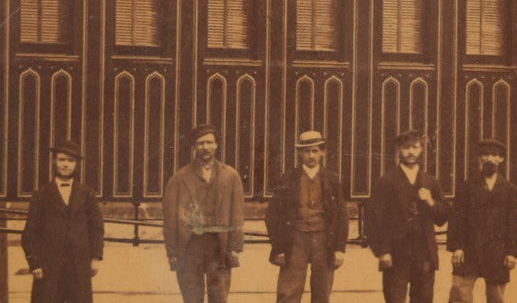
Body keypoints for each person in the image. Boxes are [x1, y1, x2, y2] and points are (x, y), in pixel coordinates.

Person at [163, 123, 246, 303]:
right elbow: (169, 219)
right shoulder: (179, 178)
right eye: (200, 143)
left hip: (219, 245)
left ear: (216, 145)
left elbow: (237, 214)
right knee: (191, 295)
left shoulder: (230, 176)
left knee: (219, 296)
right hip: (190, 245)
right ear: (194, 147)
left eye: (209, 142)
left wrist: (235, 248)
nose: (205, 147)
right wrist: (172, 252)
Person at [265, 130, 349, 303]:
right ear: (299, 154)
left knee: (322, 291)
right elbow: (273, 215)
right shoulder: (288, 179)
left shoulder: (332, 179)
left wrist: (339, 248)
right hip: (296, 239)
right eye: (306, 151)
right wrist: (279, 247)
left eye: (315, 150)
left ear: (323, 152)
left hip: (323, 239)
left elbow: (341, 215)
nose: (311, 155)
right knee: (289, 291)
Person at [367, 129, 450, 303]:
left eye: (415, 147)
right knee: (394, 298)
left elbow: (443, 218)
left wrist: (430, 201)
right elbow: (375, 220)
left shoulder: (430, 181)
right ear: (399, 150)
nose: (411, 152)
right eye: (406, 148)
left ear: (421, 149)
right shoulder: (386, 181)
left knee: (424, 298)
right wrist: (383, 251)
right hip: (396, 252)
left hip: (424, 252)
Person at [21, 140, 104, 303]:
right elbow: (30, 232)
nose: (66, 165)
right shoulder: (41, 194)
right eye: (62, 159)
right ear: (54, 161)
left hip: (79, 267)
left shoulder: (87, 194)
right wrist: (34, 263)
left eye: (71, 161)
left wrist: (95, 258)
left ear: (77, 164)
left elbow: (96, 228)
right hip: (49, 267)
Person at [448, 139, 517, 303]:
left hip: (497, 251)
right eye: (485, 155)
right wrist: (457, 247)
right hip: (468, 249)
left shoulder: (510, 190)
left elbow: (515, 224)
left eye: (494, 155)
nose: (489, 158)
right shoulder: (467, 187)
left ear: (501, 159)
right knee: (460, 294)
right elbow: (457, 219)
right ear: (479, 158)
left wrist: (512, 252)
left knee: (496, 296)